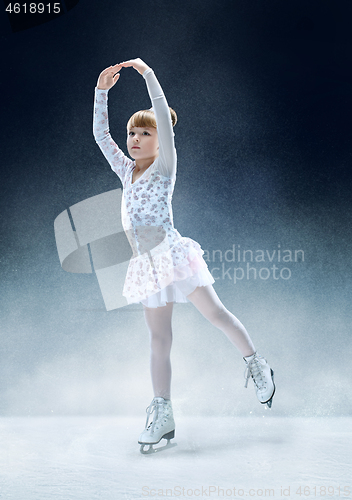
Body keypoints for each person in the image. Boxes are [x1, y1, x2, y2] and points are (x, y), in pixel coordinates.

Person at [93, 58, 275, 452]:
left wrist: (147, 75)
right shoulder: (126, 172)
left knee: (216, 314)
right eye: (132, 132)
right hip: (148, 267)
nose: (135, 138)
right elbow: (100, 136)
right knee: (159, 339)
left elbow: (160, 112)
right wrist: (101, 91)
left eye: (144, 132)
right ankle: (163, 412)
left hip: (174, 255)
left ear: (161, 140)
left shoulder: (165, 167)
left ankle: (257, 365)